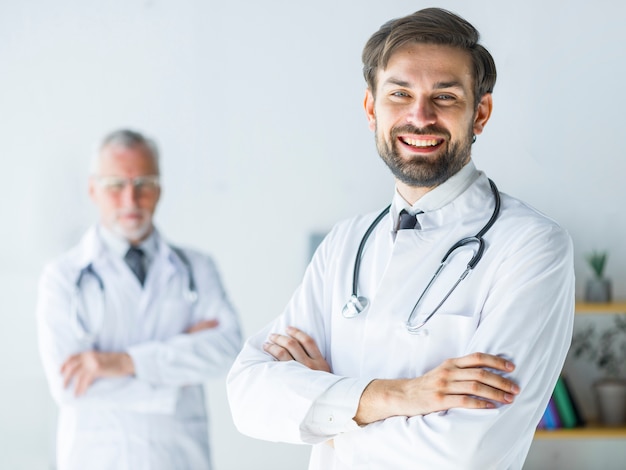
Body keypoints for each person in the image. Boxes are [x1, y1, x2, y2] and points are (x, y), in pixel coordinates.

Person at [227, 8, 574, 470]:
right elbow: (248, 397)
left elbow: (465, 452)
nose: (420, 116)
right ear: (372, 108)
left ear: (481, 113)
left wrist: (328, 412)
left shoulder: (532, 246)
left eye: (445, 96)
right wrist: (401, 396)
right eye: (400, 93)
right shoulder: (345, 243)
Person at [37, 129, 242, 470]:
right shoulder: (62, 276)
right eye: (115, 185)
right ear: (93, 190)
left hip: (179, 458)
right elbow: (70, 386)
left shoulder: (197, 267)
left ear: (159, 189)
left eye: (144, 183)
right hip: (96, 458)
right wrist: (175, 372)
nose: (131, 199)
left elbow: (227, 350)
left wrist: (122, 363)